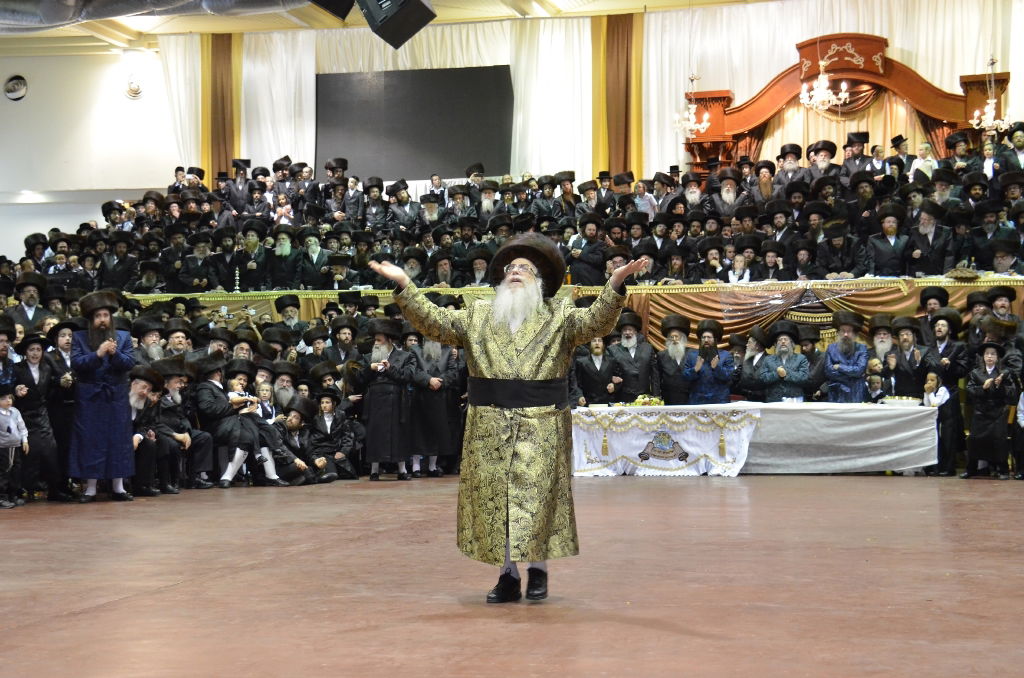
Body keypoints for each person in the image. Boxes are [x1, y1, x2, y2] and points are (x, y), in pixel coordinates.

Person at [370, 232, 642, 604]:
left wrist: (613, 285)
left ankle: (539, 570)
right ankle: (508, 575)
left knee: (538, 499)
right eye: (511, 268)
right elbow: (434, 323)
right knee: (497, 501)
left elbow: (595, 323)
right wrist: (405, 286)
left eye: (526, 269)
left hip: (542, 423)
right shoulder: (479, 314)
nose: (516, 272)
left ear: (540, 281)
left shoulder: (559, 314)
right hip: (488, 426)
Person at [69, 291, 137, 503]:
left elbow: (129, 363)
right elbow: (77, 364)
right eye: (98, 316)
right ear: (91, 319)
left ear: (111, 317)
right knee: (90, 441)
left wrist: (114, 354)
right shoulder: (79, 337)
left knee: (118, 440)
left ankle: (118, 487)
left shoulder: (123, 337)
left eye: (105, 315)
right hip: (89, 397)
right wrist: (98, 353)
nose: (102, 320)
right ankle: (90, 488)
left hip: (116, 396)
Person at [963, 342, 1018, 479]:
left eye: (993, 354)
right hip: (980, 412)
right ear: (983, 357)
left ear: (998, 357)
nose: (989, 356)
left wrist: (1000, 386)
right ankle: (971, 469)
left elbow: (1012, 392)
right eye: (987, 354)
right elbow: (969, 391)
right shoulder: (975, 373)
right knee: (974, 439)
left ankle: (1002, 470)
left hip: (998, 413)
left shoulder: (1004, 373)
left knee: (999, 440)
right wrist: (983, 388)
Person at [682, 319, 735, 404]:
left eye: (709, 337)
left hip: (719, 401)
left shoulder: (726, 355)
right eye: (703, 337)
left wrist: (716, 368)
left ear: (715, 339)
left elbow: (730, 377)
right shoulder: (692, 355)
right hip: (697, 401)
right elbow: (684, 378)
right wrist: (695, 369)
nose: (706, 340)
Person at [757, 321, 810, 402]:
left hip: (795, 401)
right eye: (780, 340)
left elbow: (804, 378)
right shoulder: (768, 359)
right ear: (776, 344)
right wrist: (777, 374)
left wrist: (786, 374)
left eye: (786, 339)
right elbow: (762, 379)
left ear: (792, 343)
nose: (783, 342)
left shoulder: (801, 358)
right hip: (774, 401)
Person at [823, 310, 868, 403]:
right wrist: (853, 376)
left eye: (849, 331)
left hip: (856, 394)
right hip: (836, 395)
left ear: (855, 334)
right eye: (843, 331)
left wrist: (839, 367)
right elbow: (828, 371)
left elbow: (860, 370)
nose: (845, 334)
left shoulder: (862, 348)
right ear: (838, 332)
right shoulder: (831, 348)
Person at [0, 383, 28, 509]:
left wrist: (25, 440)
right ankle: (2, 497)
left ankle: (13, 495)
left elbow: (22, 427)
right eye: (3, 399)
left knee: (15, 470)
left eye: (10, 398)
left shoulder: (15, 412)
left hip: (15, 446)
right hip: (3, 447)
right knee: (4, 471)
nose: (8, 401)